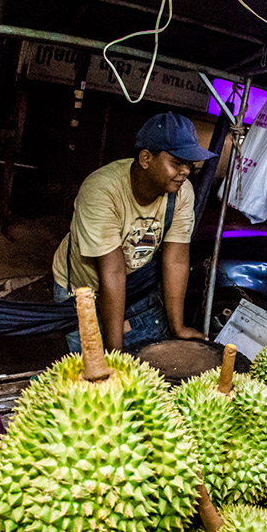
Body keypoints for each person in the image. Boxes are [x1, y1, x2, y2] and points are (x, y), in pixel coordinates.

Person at [51, 111, 215, 352]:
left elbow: (177, 259)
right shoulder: (102, 190)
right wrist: (115, 356)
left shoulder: (182, 192)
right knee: (93, 371)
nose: (186, 171)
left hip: (132, 287)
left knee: (142, 368)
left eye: (190, 164)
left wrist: (177, 326)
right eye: (177, 163)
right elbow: (113, 271)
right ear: (146, 158)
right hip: (82, 289)